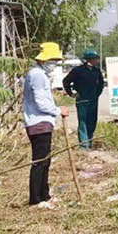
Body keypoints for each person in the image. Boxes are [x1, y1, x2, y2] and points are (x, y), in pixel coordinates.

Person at [23, 42, 70, 208]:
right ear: (44, 60)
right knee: (40, 161)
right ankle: (36, 199)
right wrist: (58, 110)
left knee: (45, 161)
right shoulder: (37, 75)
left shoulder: (40, 74)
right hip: (38, 122)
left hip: (42, 122)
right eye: (53, 60)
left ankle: (44, 195)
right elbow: (41, 102)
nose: (54, 64)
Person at [61, 49, 104, 150]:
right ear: (89, 59)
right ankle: (84, 146)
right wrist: (71, 93)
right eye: (94, 59)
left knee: (92, 122)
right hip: (82, 100)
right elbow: (66, 81)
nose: (96, 61)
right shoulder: (78, 70)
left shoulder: (96, 71)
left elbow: (101, 84)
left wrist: (97, 94)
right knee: (83, 122)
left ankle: (89, 142)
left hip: (93, 100)